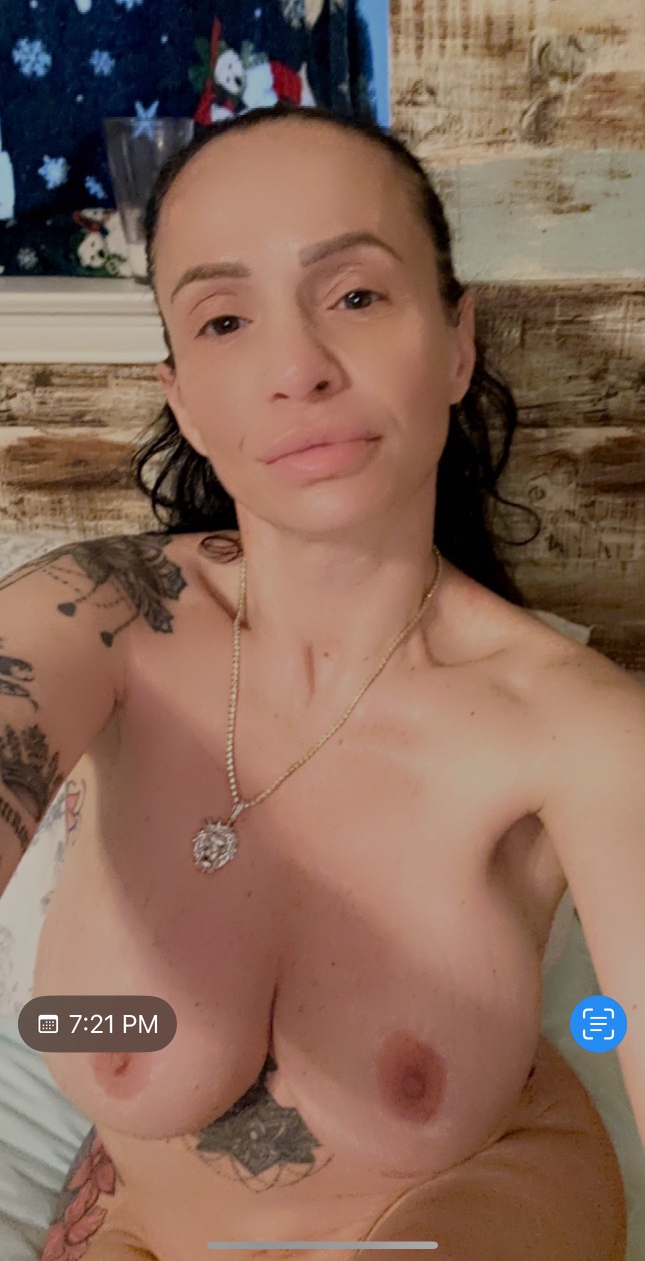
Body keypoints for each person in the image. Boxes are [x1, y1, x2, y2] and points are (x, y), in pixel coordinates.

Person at [0, 101, 641, 1261]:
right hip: (139, 1222)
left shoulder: (574, 726)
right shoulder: (98, 620)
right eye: (225, 318)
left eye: (354, 296)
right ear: (184, 397)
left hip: (474, 1199)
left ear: (457, 342)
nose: (297, 367)